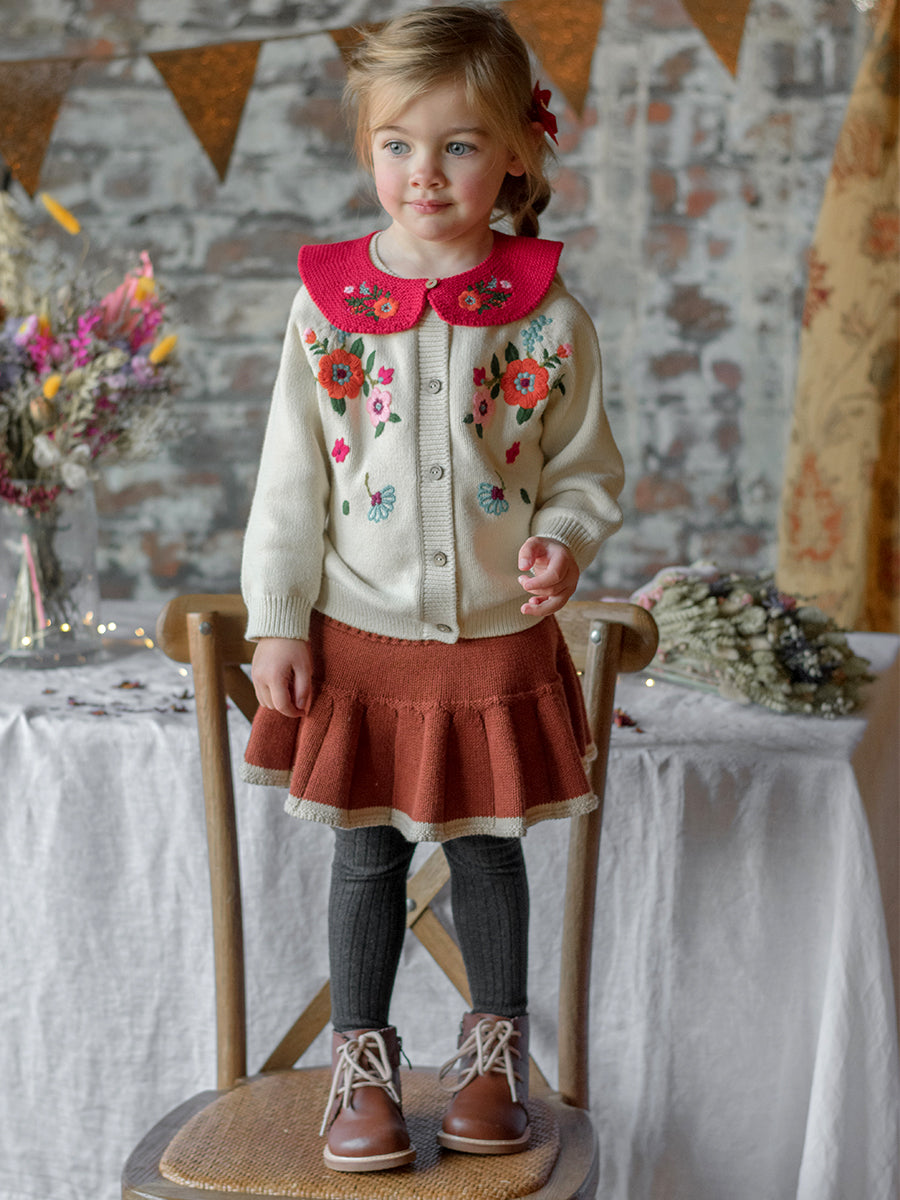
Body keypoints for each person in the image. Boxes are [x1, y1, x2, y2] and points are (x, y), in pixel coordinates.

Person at [240, 2, 624, 1174]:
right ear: (367, 148)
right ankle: (359, 1066)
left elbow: (585, 470)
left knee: (492, 849)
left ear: (514, 155)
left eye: (458, 145)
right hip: (360, 634)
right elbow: (291, 484)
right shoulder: (327, 310)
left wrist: (561, 539)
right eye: (398, 144)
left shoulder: (548, 316)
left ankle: (493, 1056)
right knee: (366, 853)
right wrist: (275, 621)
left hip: (500, 637)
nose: (425, 172)